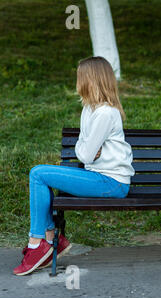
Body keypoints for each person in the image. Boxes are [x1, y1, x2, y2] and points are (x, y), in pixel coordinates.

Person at [14, 56, 135, 276]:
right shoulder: (89, 109)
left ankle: (37, 244)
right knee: (40, 175)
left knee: (38, 173)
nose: (77, 82)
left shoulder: (105, 113)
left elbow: (86, 154)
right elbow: (86, 151)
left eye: (80, 76)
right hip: (98, 176)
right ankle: (50, 240)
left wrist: (86, 149)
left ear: (91, 80)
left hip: (112, 183)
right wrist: (86, 148)